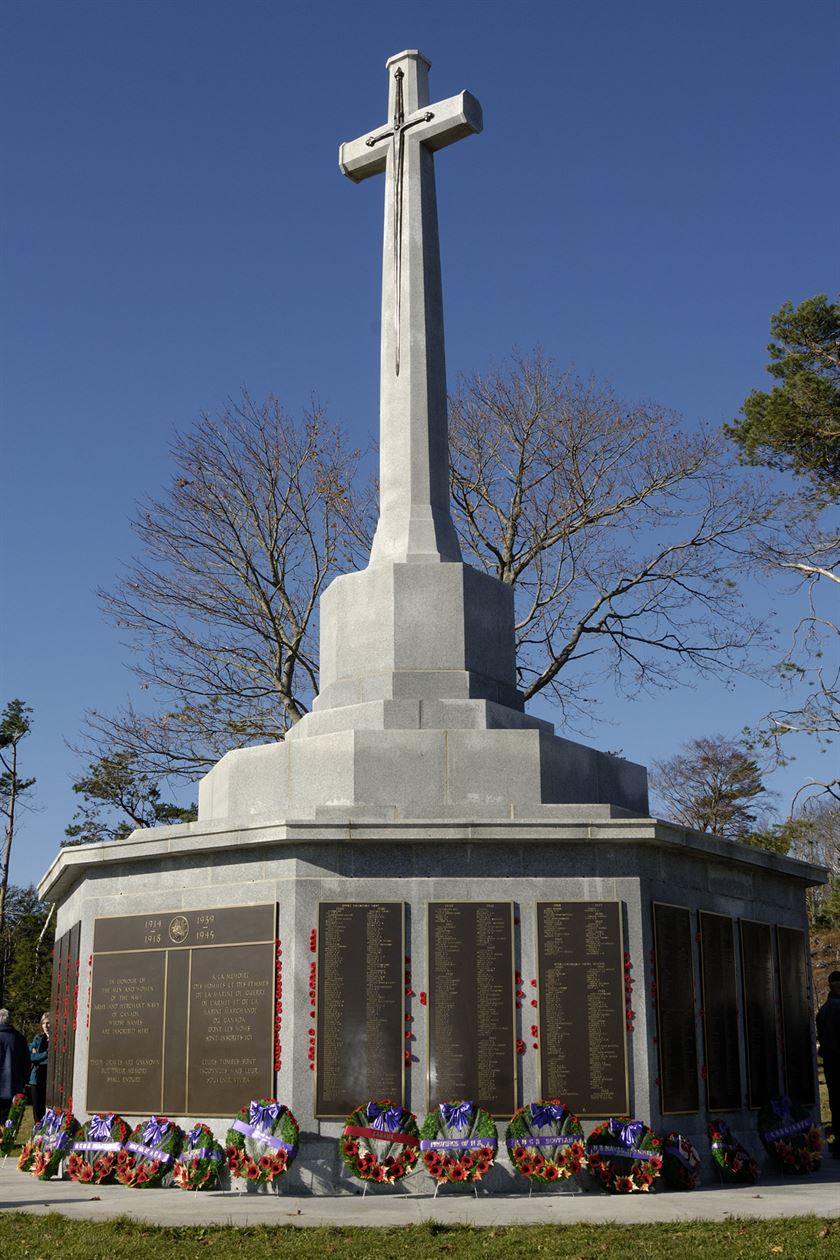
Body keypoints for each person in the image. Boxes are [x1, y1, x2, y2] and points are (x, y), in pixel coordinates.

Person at [817, 969, 840, 1159]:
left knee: (835, 1103)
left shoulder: (823, 1010)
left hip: (831, 1064)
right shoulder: (837, 1008)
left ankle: (837, 1142)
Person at [0, 1008, 30, 1125]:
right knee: (8, 1120)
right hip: (13, 1084)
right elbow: (26, 1063)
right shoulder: (19, 1038)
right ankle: (6, 1141)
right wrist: (25, 1081)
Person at [28, 1012, 50, 1123]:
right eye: (43, 1023)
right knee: (37, 1108)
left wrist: (39, 1056)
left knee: (48, 1109)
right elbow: (31, 1056)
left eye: (48, 1023)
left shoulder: (57, 1040)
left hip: (49, 1079)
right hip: (36, 1078)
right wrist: (46, 1054)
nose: (46, 1026)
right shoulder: (38, 1039)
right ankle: (37, 1133)